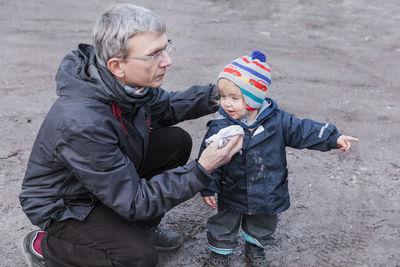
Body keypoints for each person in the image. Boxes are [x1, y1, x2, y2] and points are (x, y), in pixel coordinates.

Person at [18, 3, 243, 267]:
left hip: (105, 181)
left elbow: (167, 106)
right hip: (67, 204)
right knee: (137, 258)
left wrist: (221, 93)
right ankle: (46, 246)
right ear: (117, 65)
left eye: (165, 47)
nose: (167, 60)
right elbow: (134, 200)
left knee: (176, 142)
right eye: (154, 54)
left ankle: (139, 228)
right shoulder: (82, 122)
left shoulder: (125, 86)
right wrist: (203, 168)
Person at [199, 50, 359, 267]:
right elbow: (208, 159)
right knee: (224, 221)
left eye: (235, 98)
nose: (226, 103)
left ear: (255, 97)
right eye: (223, 96)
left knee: (263, 220)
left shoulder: (279, 121)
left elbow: (304, 130)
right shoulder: (221, 126)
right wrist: (208, 186)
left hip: (267, 187)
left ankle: (255, 247)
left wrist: (333, 137)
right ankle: (220, 253)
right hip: (232, 187)